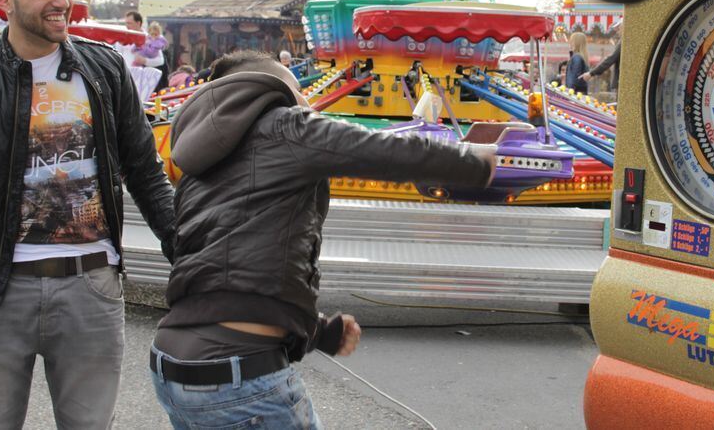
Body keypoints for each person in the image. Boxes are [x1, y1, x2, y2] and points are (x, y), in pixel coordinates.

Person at [149, 50, 497, 429]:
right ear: (268, 89)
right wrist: (477, 160)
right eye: (299, 90)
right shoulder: (284, 124)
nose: (307, 101)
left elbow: (225, 274)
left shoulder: (202, 160)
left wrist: (315, 331)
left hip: (174, 369)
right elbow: (380, 150)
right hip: (239, 378)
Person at [0, 0, 176, 428]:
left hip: (91, 288)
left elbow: (145, 171)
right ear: (4, 0)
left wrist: (187, 251)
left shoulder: (104, 69)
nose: (61, 2)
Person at [580, 19, 622, 92]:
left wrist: (591, 73)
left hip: (620, 81)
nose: (617, 32)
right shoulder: (623, 41)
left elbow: (611, 59)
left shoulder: (622, 42)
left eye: (618, 29)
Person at [134, 21, 169, 91]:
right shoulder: (147, 41)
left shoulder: (157, 44)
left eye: (155, 34)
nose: (153, 36)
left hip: (156, 76)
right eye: (152, 34)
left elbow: (160, 61)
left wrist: (144, 60)